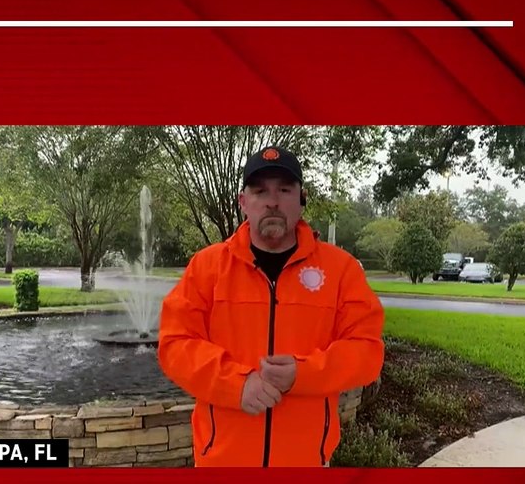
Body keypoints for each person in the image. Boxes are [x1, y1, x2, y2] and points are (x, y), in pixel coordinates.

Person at [157, 146, 384, 467]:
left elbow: (367, 352)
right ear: (243, 201)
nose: (272, 201)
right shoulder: (207, 267)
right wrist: (236, 385)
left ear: (301, 199)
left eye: (284, 190)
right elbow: (174, 345)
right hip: (220, 464)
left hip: (305, 466)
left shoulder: (341, 270)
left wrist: (303, 375)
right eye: (260, 191)